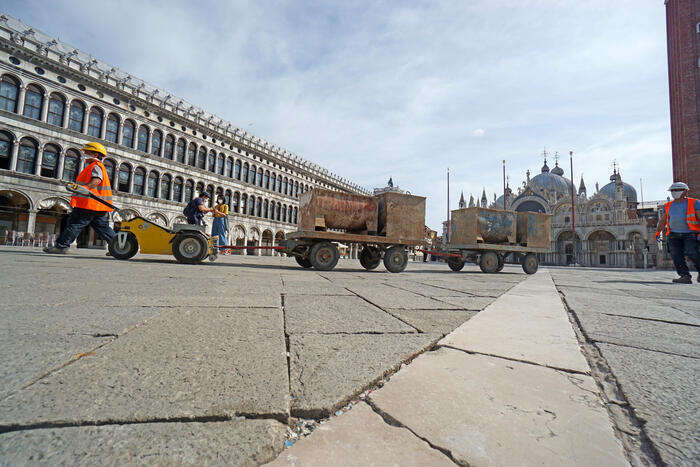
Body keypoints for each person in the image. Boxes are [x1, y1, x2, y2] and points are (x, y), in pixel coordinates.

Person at [44, 142, 115, 254]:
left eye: (87, 152)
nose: (84, 154)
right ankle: (118, 247)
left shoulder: (95, 166)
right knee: (103, 227)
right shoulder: (95, 166)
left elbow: (97, 180)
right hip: (98, 205)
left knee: (75, 223)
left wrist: (83, 188)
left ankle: (61, 246)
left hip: (89, 203)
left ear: (95, 155)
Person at [656, 182, 700, 284]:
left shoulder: (694, 203)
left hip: (690, 233)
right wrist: (658, 232)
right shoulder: (668, 205)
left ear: (685, 191)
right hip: (673, 234)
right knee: (676, 255)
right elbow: (663, 220)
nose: (675, 192)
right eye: (673, 190)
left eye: (677, 190)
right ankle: (684, 276)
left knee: (692, 253)